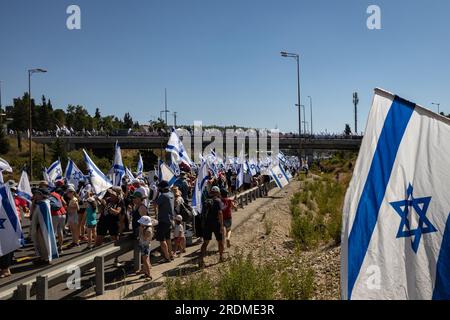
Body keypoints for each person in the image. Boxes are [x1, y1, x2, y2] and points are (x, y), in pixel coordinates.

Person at [199, 186, 224, 268]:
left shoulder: (206, 201)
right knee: (220, 241)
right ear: (217, 192)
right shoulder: (218, 201)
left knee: (205, 242)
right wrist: (221, 225)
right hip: (216, 223)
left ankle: (201, 260)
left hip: (207, 224)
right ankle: (221, 257)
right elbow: (220, 213)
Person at [154, 180, 174, 262]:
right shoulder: (171, 194)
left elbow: (155, 203)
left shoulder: (163, 196)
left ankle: (166, 257)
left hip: (163, 220)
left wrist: (157, 194)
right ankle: (171, 254)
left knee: (162, 240)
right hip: (170, 219)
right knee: (168, 238)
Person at [49, 185, 67, 254]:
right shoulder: (58, 195)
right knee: (60, 231)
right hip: (63, 213)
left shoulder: (49, 195)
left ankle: (53, 250)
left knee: (53, 232)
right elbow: (64, 203)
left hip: (55, 214)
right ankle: (60, 247)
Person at [137, 215, 153, 280]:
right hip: (143, 246)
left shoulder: (148, 230)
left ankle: (149, 274)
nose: (140, 224)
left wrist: (141, 230)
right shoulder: (145, 228)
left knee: (145, 260)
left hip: (145, 246)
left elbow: (145, 238)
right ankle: (146, 273)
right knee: (145, 260)